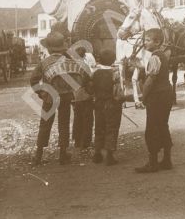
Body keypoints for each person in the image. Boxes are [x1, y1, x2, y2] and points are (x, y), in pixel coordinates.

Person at [30, 32, 90, 165]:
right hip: (66, 97)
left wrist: (42, 94)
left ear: (49, 48)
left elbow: (33, 80)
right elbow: (84, 77)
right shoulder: (71, 62)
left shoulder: (44, 63)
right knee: (64, 124)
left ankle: (38, 155)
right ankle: (63, 154)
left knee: (45, 125)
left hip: (50, 98)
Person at [135, 28, 173, 173]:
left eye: (148, 40)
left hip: (157, 97)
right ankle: (167, 160)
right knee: (163, 125)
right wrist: (140, 67)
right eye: (144, 39)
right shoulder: (162, 55)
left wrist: (142, 98)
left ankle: (153, 163)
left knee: (151, 129)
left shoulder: (154, 58)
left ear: (157, 42)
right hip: (166, 94)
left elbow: (150, 81)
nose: (145, 43)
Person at [92, 49, 123, 165]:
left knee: (99, 127)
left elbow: (90, 87)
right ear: (113, 60)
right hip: (112, 104)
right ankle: (109, 155)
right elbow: (118, 91)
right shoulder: (115, 73)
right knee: (112, 127)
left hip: (99, 103)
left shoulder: (95, 72)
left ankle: (97, 153)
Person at [72, 46, 97, 149]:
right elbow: (89, 80)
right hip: (85, 96)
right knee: (87, 119)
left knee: (77, 118)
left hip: (74, 96)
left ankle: (77, 141)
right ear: (84, 55)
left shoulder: (71, 65)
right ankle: (86, 142)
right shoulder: (84, 66)